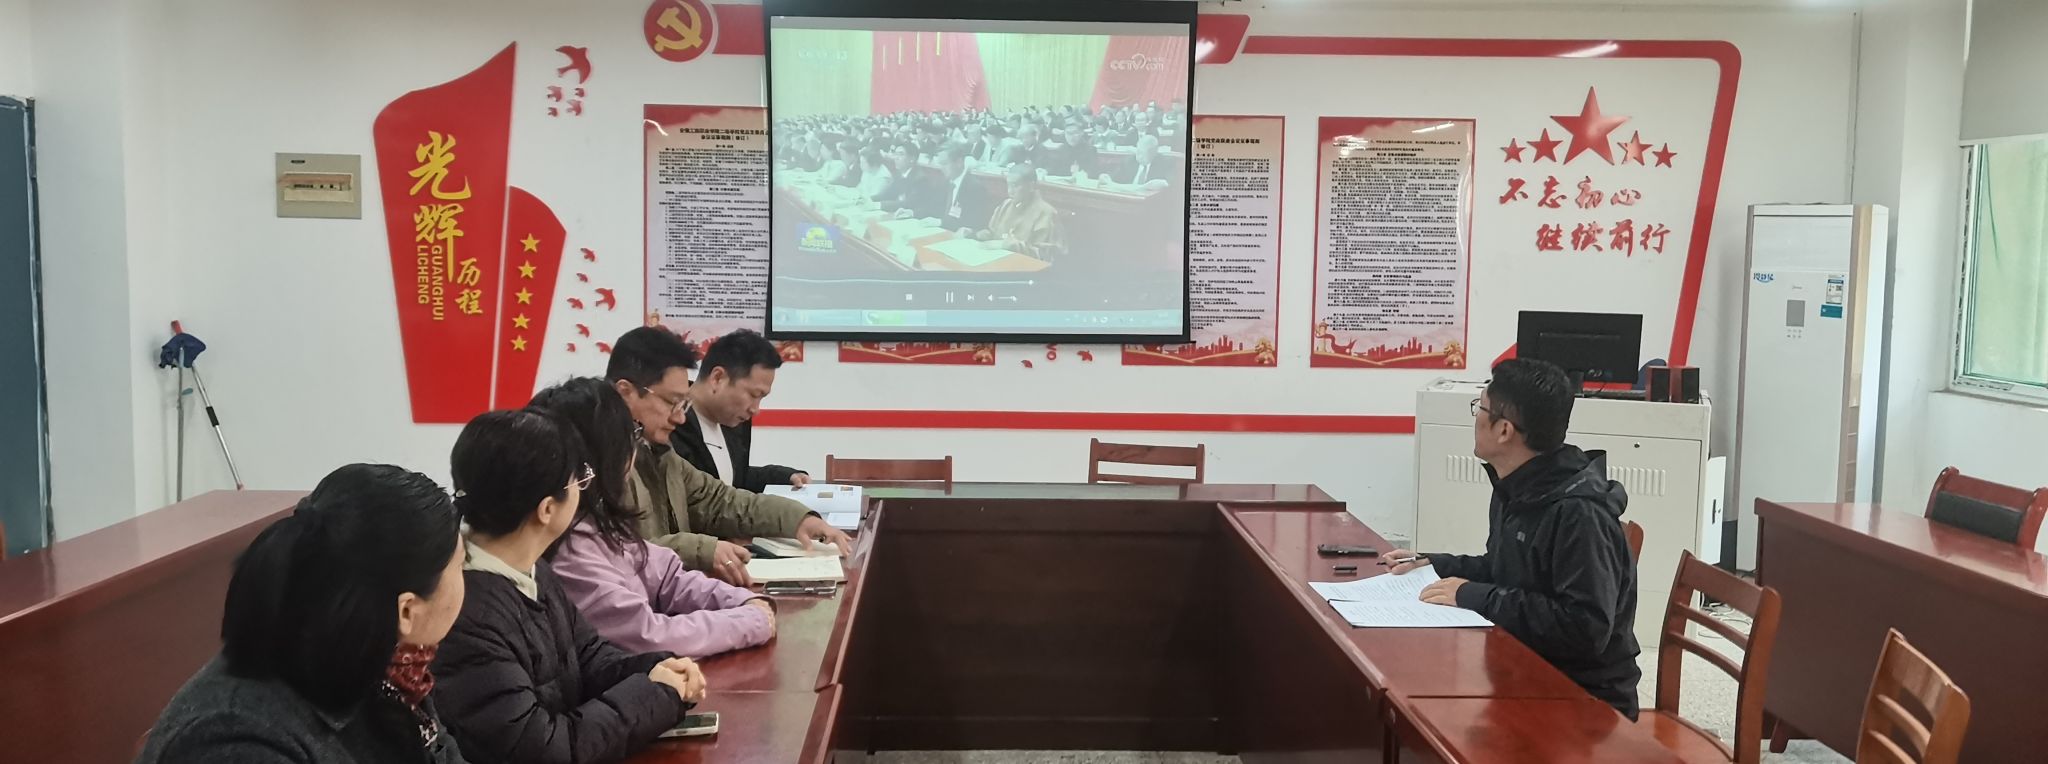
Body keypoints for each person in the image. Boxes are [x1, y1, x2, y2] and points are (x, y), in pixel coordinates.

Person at [138, 465, 469, 764]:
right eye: (461, 565)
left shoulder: (384, 664)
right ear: (407, 610)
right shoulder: (235, 739)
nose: (465, 579)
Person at [432, 409, 708, 764]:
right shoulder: (467, 613)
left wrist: (658, 669)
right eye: (580, 480)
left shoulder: (533, 568)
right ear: (547, 509)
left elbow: (588, 656)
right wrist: (655, 695)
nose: (584, 489)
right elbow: (545, 750)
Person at [1383, 358, 1641, 719]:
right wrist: (1436, 564)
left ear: (1504, 430)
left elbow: (1585, 629)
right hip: (1527, 666)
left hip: (1582, 697)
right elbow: (1506, 568)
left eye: (1480, 407)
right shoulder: (1518, 484)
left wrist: (1473, 594)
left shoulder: (1579, 514)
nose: (1475, 417)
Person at [533, 377, 779, 659]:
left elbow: (667, 579)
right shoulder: (570, 550)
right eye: (632, 436)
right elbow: (647, 637)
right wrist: (750, 622)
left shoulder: (599, 520)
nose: (679, 416)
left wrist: (745, 601)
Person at [607, 326, 848, 587]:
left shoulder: (660, 453)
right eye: (671, 402)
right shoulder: (597, 460)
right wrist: (705, 549)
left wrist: (799, 519)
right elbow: (621, 552)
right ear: (625, 392)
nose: (679, 417)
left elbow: (722, 501)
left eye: (682, 404)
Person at [672, 329, 811, 492]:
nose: (755, 409)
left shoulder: (733, 422)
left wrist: (784, 476)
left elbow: (734, 478)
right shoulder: (670, 423)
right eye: (754, 395)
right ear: (717, 378)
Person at [974, 163, 1060, 259]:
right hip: (997, 259)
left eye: (1015, 185)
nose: (1010, 191)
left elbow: (1044, 254)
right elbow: (993, 234)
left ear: (1031, 186)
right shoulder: (1006, 205)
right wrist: (975, 234)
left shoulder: (1046, 213)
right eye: (1008, 185)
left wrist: (1007, 245)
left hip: (1025, 266)